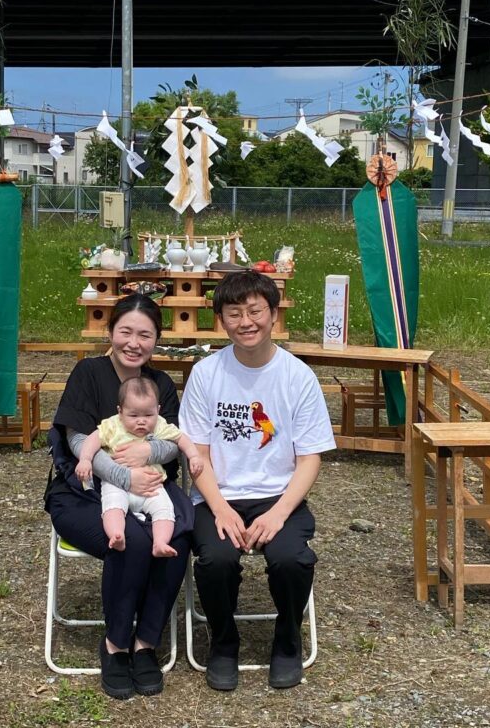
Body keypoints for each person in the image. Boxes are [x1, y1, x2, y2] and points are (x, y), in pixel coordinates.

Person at [179, 270, 336, 691]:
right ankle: (223, 644)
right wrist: (220, 508)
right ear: (221, 320)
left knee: (291, 559)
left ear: (273, 314)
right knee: (215, 559)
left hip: (279, 496)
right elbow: (199, 456)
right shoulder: (206, 373)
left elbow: (310, 457)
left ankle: (287, 642)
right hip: (217, 495)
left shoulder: (297, 376)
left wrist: (279, 513)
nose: (246, 322)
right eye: (234, 313)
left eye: (255, 311)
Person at [44, 294, 192, 700]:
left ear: (156, 340)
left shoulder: (159, 384)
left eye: (145, 334)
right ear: (110, 332)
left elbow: (175, 441)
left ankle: (146, 642)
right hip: (84, 492)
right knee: (133, 540)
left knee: (179, 532)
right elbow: (76, 439)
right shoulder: (88, 374)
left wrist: (149, 452)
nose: (134, 342)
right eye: (125, 331)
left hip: (153, 487)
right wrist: (124, 477)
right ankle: (116, 644)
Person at [75, 375, 204, 557]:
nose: (141, 421)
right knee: (112, 506)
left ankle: (160, 542)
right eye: (133, 415)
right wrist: (85, 459)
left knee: (165, 509)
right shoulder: (113, 425)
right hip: (117, 482)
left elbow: (181, 438)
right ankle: (116, 534)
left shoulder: (159, 425)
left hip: (152, 484)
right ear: (120, 411)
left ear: (158, 410)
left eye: (148, 415)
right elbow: (92, 439)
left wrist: (194, 456)